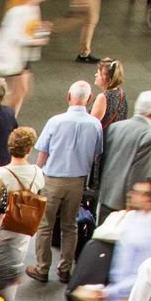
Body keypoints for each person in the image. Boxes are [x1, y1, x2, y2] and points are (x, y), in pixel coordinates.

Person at [28, 82, 104, 282]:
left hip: (52, 179)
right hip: (77, 181)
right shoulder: (95, 124)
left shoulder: (55, 121)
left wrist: (36, 175)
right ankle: (65, 269)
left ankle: (42, 268)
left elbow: (43, 153)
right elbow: (97, 154)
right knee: (70, 226)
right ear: (89, 99)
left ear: (68, 96)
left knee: (45, 225)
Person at [98, 92, 151, 219]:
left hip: (106, 197)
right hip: (127, 207)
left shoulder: (115, 127)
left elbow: (102, 161)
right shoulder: (150, 136)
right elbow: (140, 174)